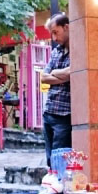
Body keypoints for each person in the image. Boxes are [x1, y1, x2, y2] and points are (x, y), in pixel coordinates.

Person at [40, 13, 72, 169]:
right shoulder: (56, 52)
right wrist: (63, 75)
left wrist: (55, 73)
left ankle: (60, 191)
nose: (53, 38)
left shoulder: (77, 50)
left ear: (66, 27)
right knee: (49, 160)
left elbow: (74, 72)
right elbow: (44, 77)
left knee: (60, 160)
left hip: (64, 115)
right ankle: (52, 188)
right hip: (49, 112)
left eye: (55, 32)